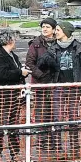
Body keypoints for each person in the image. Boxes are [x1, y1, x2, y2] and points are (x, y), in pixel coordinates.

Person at [37, 21, 81, 157]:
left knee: (73, 117)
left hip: (75, 87)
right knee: (57, 117)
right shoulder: (52, 48)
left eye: (58, 30)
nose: (55, 32)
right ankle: (58, 148)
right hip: (58, 86)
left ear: (65, 31)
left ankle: (74, 147)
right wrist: (45, 59)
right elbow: (40, 66)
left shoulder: (79, 47)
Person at [0, 30, 31, 162]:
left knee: (14, 124)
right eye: (14, 39)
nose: (16, 41)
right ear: (9, 40)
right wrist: (20, 72)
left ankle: (15, 152)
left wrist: (22, 74)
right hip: (2, 95)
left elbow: (13, 72)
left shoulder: (12, 55)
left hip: (14, 94)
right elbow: (2, 74)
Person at [25, 18, 57, 149]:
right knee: (40, 112)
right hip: (40, 84)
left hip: (55, 83)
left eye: (48, 27)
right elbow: (29, 63)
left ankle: (54, 140)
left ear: (54, 30)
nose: (45, 29)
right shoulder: (35, 44)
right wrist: (41, 75)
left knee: (55, 112)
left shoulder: (59, 43)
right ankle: (42, 140)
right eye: (43, 26)